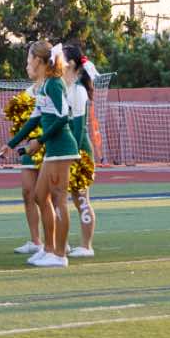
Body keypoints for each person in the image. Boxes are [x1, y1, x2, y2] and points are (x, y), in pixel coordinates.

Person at [0, 41, 79, 267]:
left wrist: (39, 141)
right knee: (39, 195)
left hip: (61, 148)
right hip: (52, 149)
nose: (27, 63)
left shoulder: (54, 84)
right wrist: (11, 144)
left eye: (28, 59)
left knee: (59, 199)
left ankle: (59, 255)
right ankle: (48, 248)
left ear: (37, 60)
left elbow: (63, 117)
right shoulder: (44, 86)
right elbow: (34, 119)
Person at [61, 42, 102, 258]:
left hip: (79, 151)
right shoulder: (62, 87)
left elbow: (78, 127)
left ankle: (87, 246)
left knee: (81, 199)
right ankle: (62, 243)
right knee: (60, 198)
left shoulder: (78, 91)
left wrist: (73, 156)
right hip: (66, 149)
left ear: (70, 64)